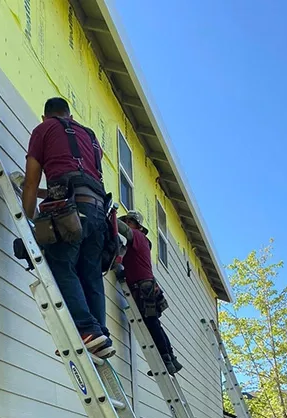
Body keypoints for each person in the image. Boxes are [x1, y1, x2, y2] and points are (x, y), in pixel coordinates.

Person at [22, 97, 114, 359]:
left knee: (60, 263)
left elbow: (31, 181)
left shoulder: (44, 129)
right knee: (90, 274)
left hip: (68, 211)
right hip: (98, 213)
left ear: (45, 116)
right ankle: (100, 335)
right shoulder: (91, 136)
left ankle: (86, 329)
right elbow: (81, 177)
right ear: (70, 115)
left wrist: (27, 222)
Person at [117, 211, 182, 375]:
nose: (126, 223)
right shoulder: (135, 247)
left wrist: (109, 216)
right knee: (154, 324)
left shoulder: (138, 236)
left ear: (137, 225)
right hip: (147, 285)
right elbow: (132, 264)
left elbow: (125, 231)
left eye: (128, 221)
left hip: (143, 287)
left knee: (151, 324)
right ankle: (171, 359)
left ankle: (166, 361)